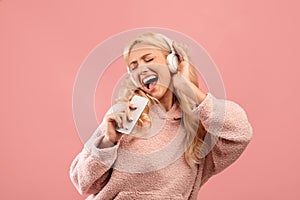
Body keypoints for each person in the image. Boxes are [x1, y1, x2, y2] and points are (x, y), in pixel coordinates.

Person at [70, 32, 253, 200]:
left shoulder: (200, 125)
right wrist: (108, 142)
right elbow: (83, 182)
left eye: (148, 59)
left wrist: (188, 87)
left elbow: (240, 133)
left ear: (172, 63)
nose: (140, 70)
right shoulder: (125, 114)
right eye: (133, 67)